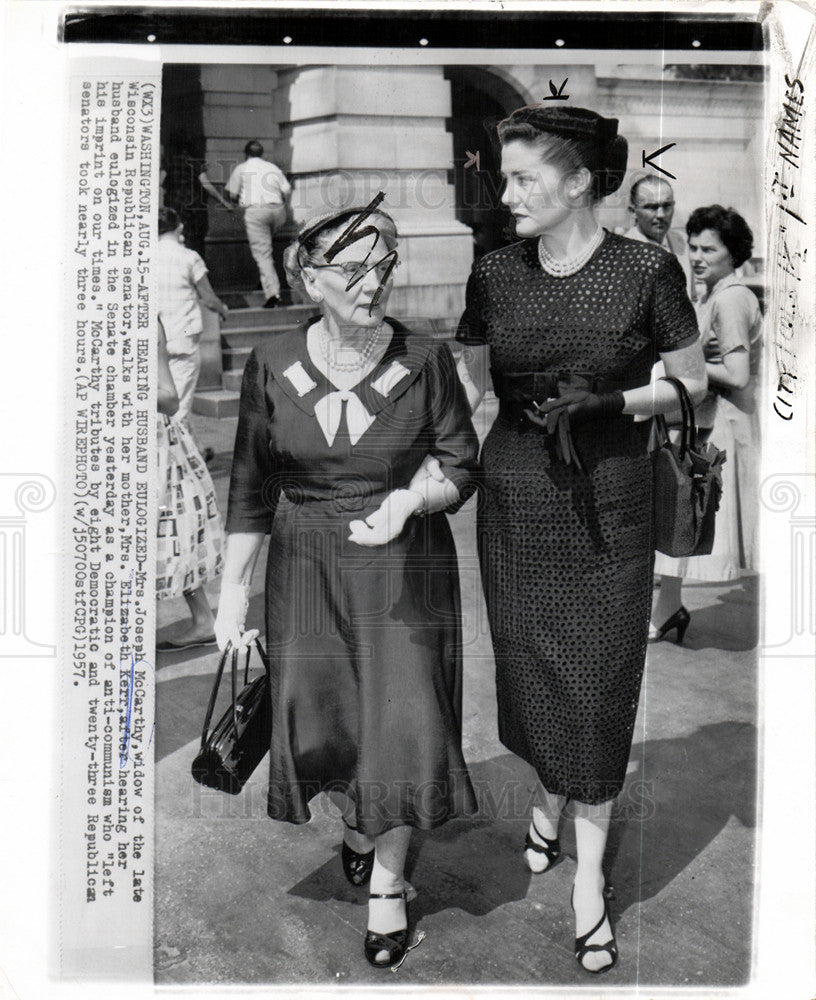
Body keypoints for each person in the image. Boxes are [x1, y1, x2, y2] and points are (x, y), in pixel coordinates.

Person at [455, 106, 707, 974]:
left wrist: (614, 404)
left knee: (600, 683)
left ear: (578, 184)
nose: (507, 191)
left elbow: (692, 385)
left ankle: (589, 881)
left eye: (523, 177)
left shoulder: (646, 269)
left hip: (612, 498)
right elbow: (469, 377)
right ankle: (548, 798)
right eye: (505, 175)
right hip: (519, 495)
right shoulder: (493, 271)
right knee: (534, 667)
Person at [213, 200, 480, 969]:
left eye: (383, 267)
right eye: (352, 268)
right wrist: (234, 590)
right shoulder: (271, 364)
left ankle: (389, 885)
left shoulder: (424, 360)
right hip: (306, 562)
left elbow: (462, 463)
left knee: (403, 719)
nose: (372, 284)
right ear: (309, 274)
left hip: (400, 563)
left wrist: (410, 498)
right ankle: (360, 823)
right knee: (324, 717)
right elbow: (250, 486)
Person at [651, 205, 762, 640]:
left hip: (724, 428)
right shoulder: (713, 294)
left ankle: (667, 609)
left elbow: (737, 376)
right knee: (682, 513)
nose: (697, 257)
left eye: (709, 249)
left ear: (732, 254)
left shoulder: (732, 298)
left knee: (696, 515)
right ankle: (669, 607)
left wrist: (683, 365)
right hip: (705, 423)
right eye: (693, 247)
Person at [155, 319, 225, 651]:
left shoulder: (145, 322)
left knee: (168, 530)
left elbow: (168, 398)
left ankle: (203, 620)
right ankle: (202, 619)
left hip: (153, 443)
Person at [157, 207, 229, 426]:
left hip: (156, 337)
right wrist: (223, 309)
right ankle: (177, 455)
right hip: (184, 334)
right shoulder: (189, 257)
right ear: (179, 227)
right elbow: (208, 298)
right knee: (179, 404)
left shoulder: (144, 255)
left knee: (161, 400)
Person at [224, 140, 291, 307]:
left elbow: (231, 193)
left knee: (263, 253)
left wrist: (235, 202)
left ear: (246, 154)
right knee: (267, 249)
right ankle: (265, 281)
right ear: (262, 153)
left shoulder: (242, 168)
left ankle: (273, 294)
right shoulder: (272, 167)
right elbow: (287, 190)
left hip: (256, 212)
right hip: (278, 210)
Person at [625, 174, 695, 299]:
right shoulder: (623, 253)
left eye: (667, 206)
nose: (661, 215)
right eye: (652, 207)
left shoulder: (684, 243)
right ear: (633, 211)